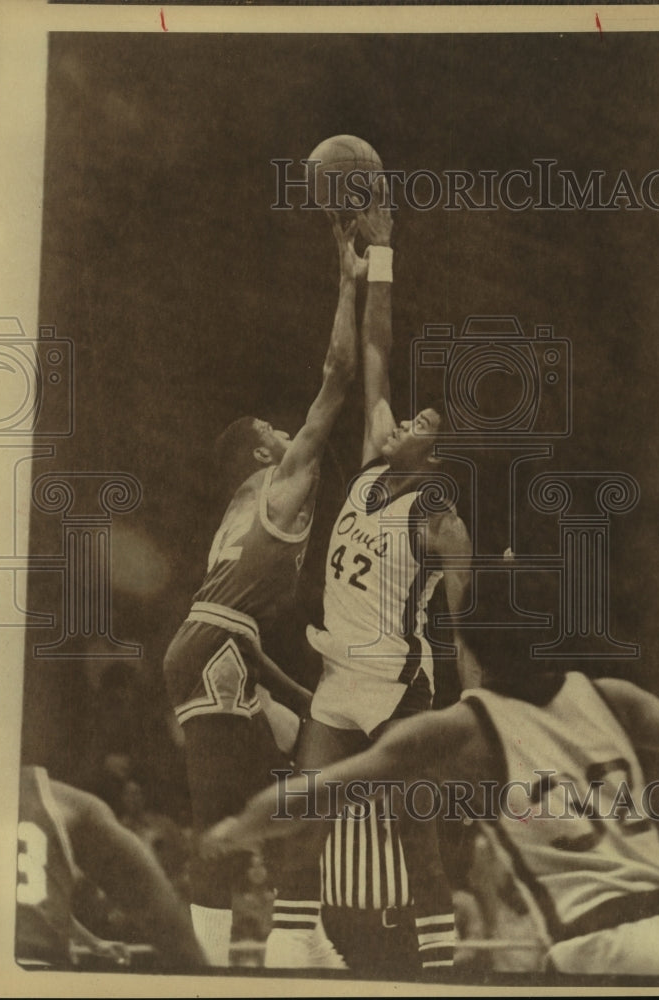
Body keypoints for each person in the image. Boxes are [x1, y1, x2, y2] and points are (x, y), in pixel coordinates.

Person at [203, 572, 659, 979]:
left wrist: (237, 829)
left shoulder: (462, 730)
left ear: (467, 647)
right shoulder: (615, 697)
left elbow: (310, 796)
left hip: (597, 947)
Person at [264, 177, 476, 973]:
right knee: (303, 807)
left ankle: (445, 965)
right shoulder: (365, 472)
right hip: (335, 675)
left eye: (424, 424)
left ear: (434, 454)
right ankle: (293, 946)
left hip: (394, 686)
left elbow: (464, 611)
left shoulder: (435, 518)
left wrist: (467, 690)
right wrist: (374, 252)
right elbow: (377, 350)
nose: (407, 419)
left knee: (411, 826)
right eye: (409, 416)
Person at [162, 214, 364, 964]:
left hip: (226, 649)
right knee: (217, 815)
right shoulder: (278, 487)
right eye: (278, 431)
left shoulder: (236, 511)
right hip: (214, 649)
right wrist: (346, 284)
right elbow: (337, 377)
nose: (292, 434)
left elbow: (240, 630)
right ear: (259, 449)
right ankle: (204, 964)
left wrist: (300, 696)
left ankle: (300, 929)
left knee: (305, 770)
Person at [15, 765, 205, 970]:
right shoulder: (65, 804)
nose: (134, 799)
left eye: (137, 793)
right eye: (129, 794)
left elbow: (45, 906)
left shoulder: (161, 826)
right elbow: (166, 919)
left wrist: (93, 942)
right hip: (41, 967)